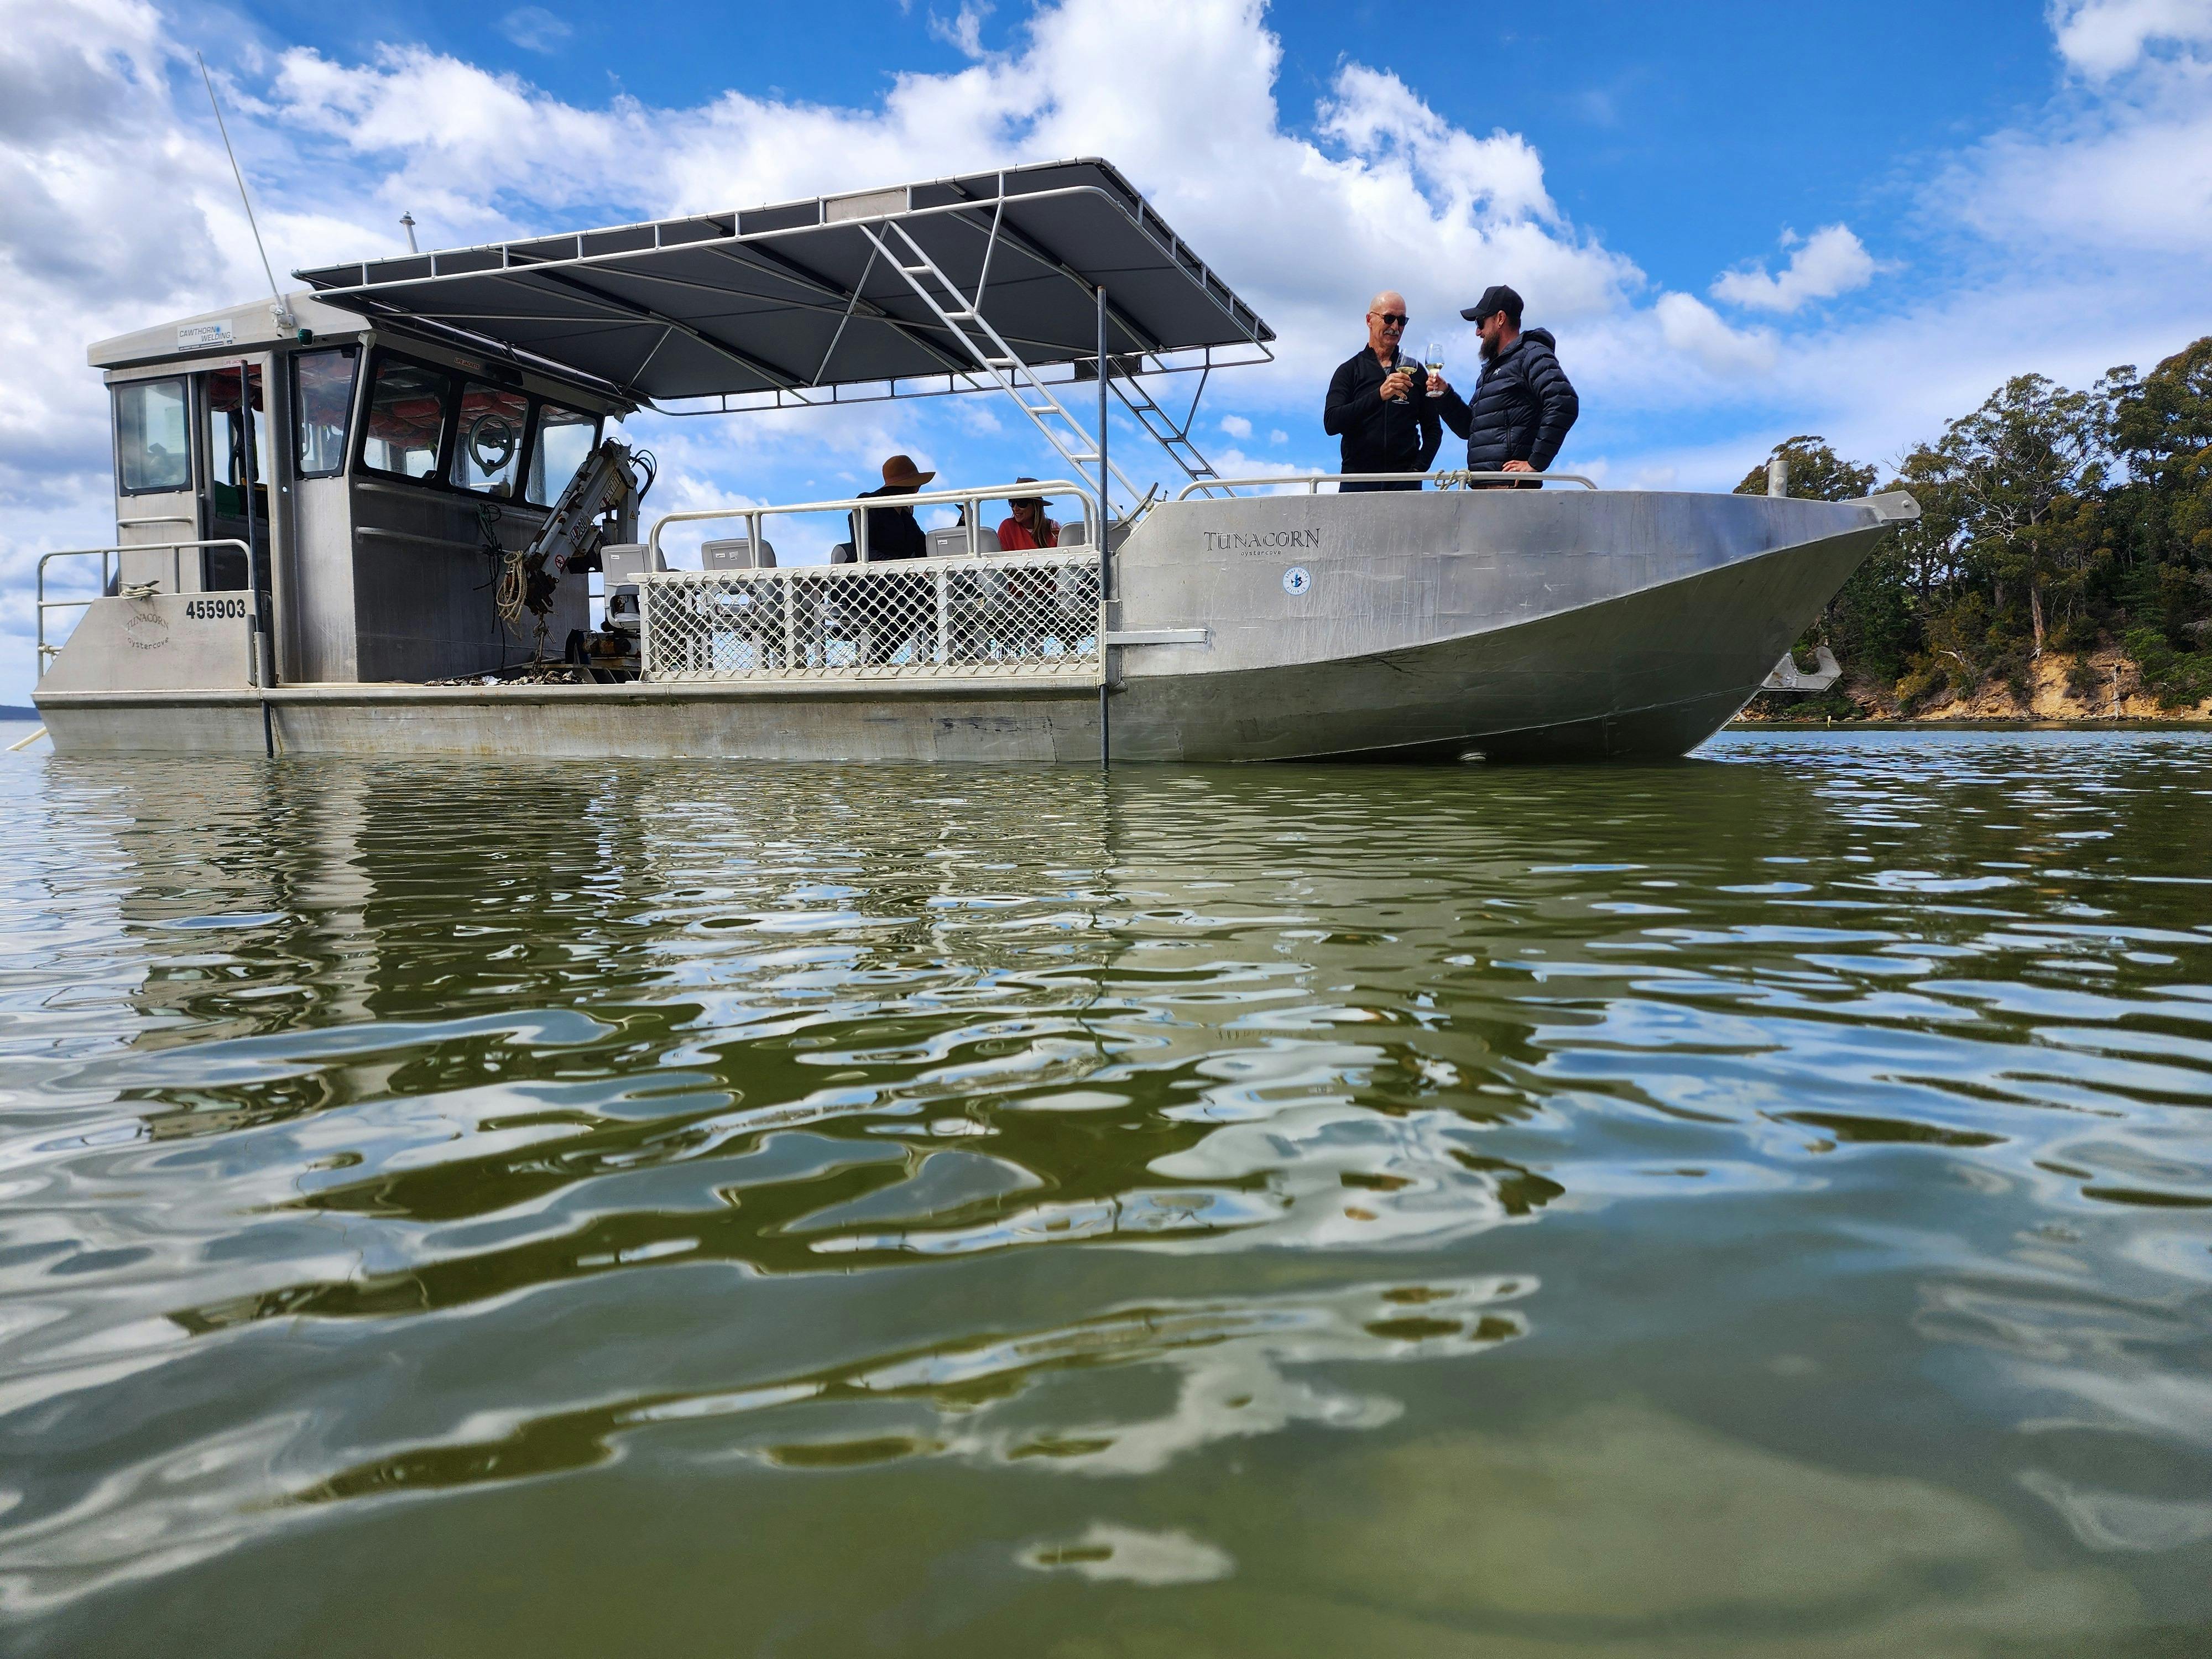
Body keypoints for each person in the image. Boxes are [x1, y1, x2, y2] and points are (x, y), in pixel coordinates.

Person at [1434, 285, 1578, 486]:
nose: (1478, 332)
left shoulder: (1531, 353)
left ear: (1500, 319)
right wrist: (1445, 395)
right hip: (1485, 489)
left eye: (1480, 322)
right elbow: (1470, 429)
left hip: (1511, 491)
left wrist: (1535, 464)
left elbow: (1564, 401)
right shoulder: (1492, 370)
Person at [1322, 290, 1450, 492]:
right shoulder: (1349, 371)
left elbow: (1433, 429)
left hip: (1404, 485)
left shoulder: (1417, 372)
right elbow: (1331, 422)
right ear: (1369, 320)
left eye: (1402, 321)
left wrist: (1418, 470)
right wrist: (1378, 396)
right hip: (1358, 483)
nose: (1395, 327)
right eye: (1389, 318)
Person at [850, 453, 933, 560]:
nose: (917, 491)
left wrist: (961, 522)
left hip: (903, 574)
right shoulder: (868, 505)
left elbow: (924, 546)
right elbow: (860, 552)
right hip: (871, 575)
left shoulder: (906, 517)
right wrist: (900, 568)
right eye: (915, 487)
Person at [997, 480, 1059, 550]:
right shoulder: (1008, 527)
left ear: (1035, 505)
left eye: (1022, 502)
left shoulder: (1053, 528)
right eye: (1012, 502)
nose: (1015, 508)